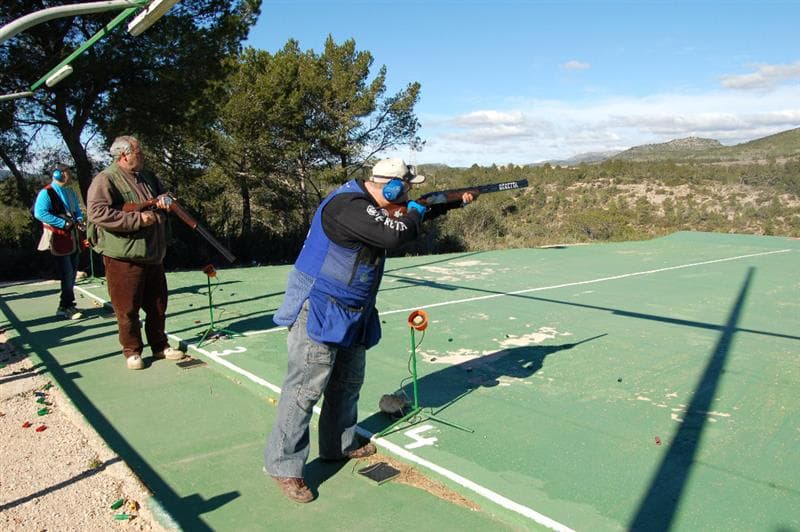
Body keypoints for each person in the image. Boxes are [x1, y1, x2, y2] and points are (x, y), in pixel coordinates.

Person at [264, 157, 477, 503]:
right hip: (319, 304)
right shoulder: (346, 206)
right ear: (390, 187)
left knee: (348, 381)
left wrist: (451, 202)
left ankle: (339, 444)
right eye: (405, 190)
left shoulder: (373, 206)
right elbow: (392, 234)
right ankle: (284, 467)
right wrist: (415, 212)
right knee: (304, 388)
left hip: (354, 308)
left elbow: (405, 215)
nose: (407, 196)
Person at [86, 135, 185, 370]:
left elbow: (166, 195)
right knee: (127, 308)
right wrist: (137, 219)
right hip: (124, 256)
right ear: (124, 155)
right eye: (138, 153)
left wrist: (165, 200)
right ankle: (132, 351)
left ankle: (160, 346)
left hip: (153, 253)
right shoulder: (105, 179)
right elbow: (98, 213)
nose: (142, 156)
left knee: (158, 304)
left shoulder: (148, 177)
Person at [33, 164, 85, 320]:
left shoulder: (70, 191)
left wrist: (80, 220)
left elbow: (76, 210)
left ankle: (66, 304)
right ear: (58, 174)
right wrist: (62, 223)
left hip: (73, 237)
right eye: (67, 172)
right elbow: (40, 213)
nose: (70, 175)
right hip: (58, 237)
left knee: (72, 272)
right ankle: (67, 306)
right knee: (67, 272)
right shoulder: (46, 192)